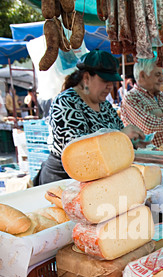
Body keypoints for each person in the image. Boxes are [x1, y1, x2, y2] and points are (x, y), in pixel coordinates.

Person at [34, 50, 145, 185]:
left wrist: (133, 141)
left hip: (98, 176)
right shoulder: (65, 102)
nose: (110, 87)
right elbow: (78, 153)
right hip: (63, 179)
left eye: (112, 81)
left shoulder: (105, 106)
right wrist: (121, 135)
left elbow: (119, 139)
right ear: (86, 78)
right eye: (105, 81)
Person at [120, 57, 163, 147]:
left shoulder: (160, 96)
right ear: (142, 75)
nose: (162, 79)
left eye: (161, 75)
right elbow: (149, 126)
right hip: (152, 158)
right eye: (157, 75)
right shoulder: (131, 98)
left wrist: (161, 112)